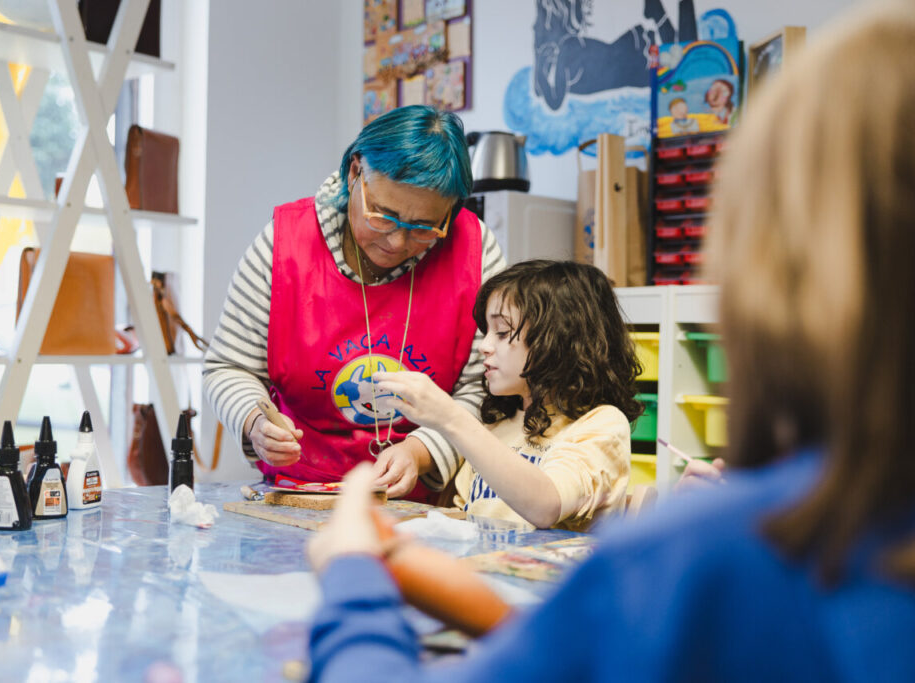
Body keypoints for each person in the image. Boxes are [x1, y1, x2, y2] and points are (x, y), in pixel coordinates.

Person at [306, 3, 915, 680]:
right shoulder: (516, 429)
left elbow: (543, 518)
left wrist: (354, 574)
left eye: (504, 332)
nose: (484, 346)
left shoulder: (705, 558)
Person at [203, 106, 505, 499]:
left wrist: (420, 451)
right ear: (354, 172)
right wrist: (255, 420)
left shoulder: (476, 252)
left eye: (423, 228)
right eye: (384, 215)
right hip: (301, 494)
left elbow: (486, 391)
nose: (396, 242)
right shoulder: (285, 244)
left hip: (426, 508)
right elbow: (228, 366)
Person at [371, 260, 642, 530]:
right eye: (486, 332)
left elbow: (546, 505)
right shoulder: (499, 423)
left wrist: (451, 417)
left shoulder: (602, 424)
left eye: (502, 332)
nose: (485, 346)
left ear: (559, 341)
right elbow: (464, 519)